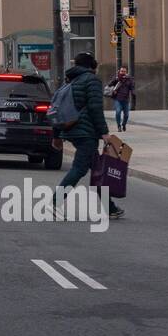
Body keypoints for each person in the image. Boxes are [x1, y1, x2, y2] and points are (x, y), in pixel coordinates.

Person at [57, 52, 123, 219]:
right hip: (86, 133)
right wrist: (104, 132)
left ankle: (110, 207)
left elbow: (58, 108)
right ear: (92, 65)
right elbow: (95, 108)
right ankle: (53, 203)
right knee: (78, 169)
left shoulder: (70, 80)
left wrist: (56, 135)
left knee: (98, 170)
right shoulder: (91, 80)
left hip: (73, 130)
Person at [107, 65, 135, 132]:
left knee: (126, 115)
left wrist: (133, 93)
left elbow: (132, 87)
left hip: (126, 99)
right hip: (118, 99)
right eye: (122, 71)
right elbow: (109, 85)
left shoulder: (129, 79)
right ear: (119, 71)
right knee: (118, 112)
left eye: (124, 71)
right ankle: (119, 126)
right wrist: (115, 79)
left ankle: (124, 124)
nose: (123, 72)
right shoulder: (117, 78)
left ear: (126, 72)